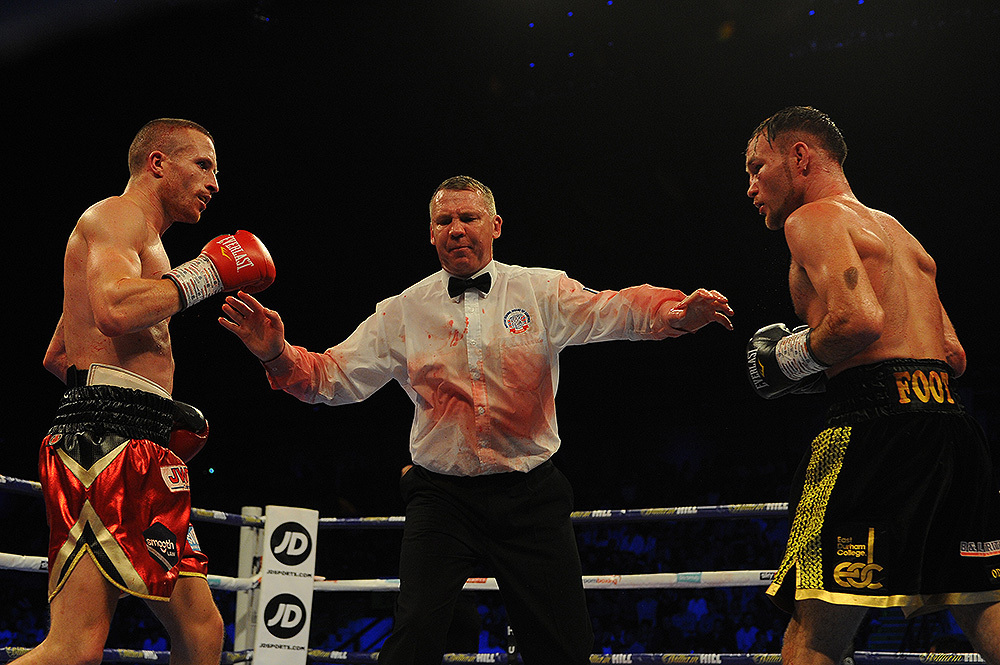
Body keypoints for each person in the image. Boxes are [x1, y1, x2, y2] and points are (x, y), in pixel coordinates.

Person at [219, 175, 734, 664]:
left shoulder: (540, 291)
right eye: (444, 221)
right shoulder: (403, 311)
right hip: (442, 498)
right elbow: (331, 378)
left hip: (530, 493)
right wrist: (276, 355)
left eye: (468, 218)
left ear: (495, 226)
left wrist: (674, 313)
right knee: (413, 636)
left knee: (565, 646)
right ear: (430, 233)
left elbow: (612, 310)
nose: (456, 229)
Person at [744, 106, 1000, 664]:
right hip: (952, 432)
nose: (751, 187)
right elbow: (953, 356)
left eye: (757, 167)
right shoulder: (902, 236)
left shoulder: (810, 219)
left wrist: (789, 358)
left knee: (814, 630)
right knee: (984, 607)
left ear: (800, 157)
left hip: (872, 428)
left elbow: (859, 320)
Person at [24, 118, 276, 665]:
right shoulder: (114, 216)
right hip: (101, 448)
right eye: (203, 165)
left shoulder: (147, 245)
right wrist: (209, 273)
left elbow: (59, 356)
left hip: (138, 440)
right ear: (158, 163)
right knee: (76, 647)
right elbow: (114, 310)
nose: (214, 184)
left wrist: (154, 411)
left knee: (202, 631)